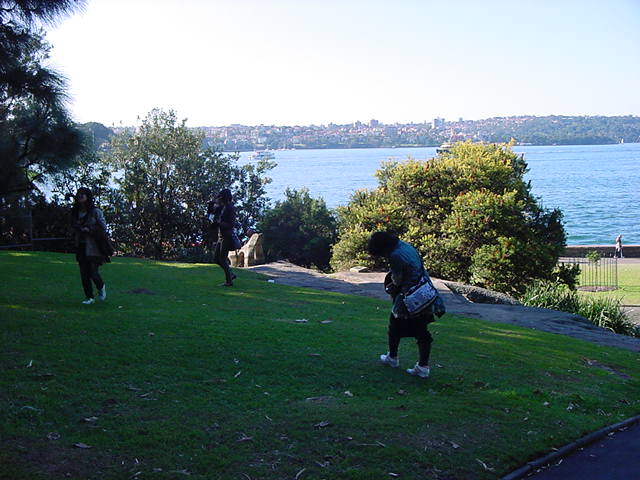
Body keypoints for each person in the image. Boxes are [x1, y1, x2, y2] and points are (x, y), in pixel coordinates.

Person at [368, 231, 434, 379]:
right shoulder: (405, 246)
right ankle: (422, 366)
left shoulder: (395, 256)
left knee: (395, 325)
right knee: (421, 330)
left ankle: (394, 358)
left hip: (410, 295)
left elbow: (397, 280)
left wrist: (391, 285)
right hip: (424, 291)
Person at [71, 187, 109, 304]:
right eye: (79, 194)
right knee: (84, 273)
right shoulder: (75, 212)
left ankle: (101, 287)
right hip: (81, 245)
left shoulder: (95, 212)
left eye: (83, 194)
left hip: (94, 246)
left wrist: (90, 229)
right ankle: (89, 297)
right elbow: (72, 226)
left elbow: (103, 227)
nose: (80, 196)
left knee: (93, 271)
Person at [212, 188, 237, 287]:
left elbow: (231, 224)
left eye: (221, 197)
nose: (220, 199)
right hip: (221, 236)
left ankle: (229, 281)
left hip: (226, 236)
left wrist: (219, 223)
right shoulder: (223, 207)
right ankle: (231, 274)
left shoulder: (230, 208)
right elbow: (214, 212)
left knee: (222, 258)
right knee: (216, 259)